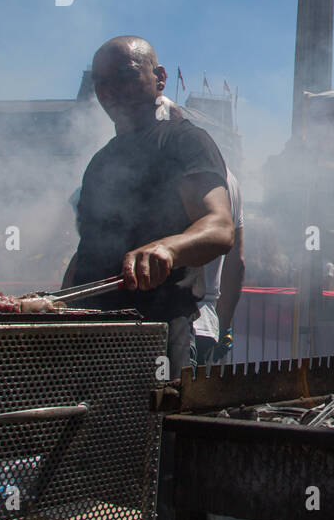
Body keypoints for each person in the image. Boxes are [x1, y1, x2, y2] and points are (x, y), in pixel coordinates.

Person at [64, 36, 234, 377]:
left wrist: (167, 248)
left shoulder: (185, 141)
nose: (111, 90)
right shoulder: (101, 160)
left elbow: (219, 226)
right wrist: (61, 304)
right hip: (87, 332)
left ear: (159, 78)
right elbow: (88, 250)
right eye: (101, 83)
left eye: (125, 76)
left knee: (153, 428)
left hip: (154, 333)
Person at [192, 168, 244, 366]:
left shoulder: (171, 162)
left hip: (167, 322)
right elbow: (236, 263)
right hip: (206, 323)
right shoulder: (230, 178)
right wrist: (224, 327)